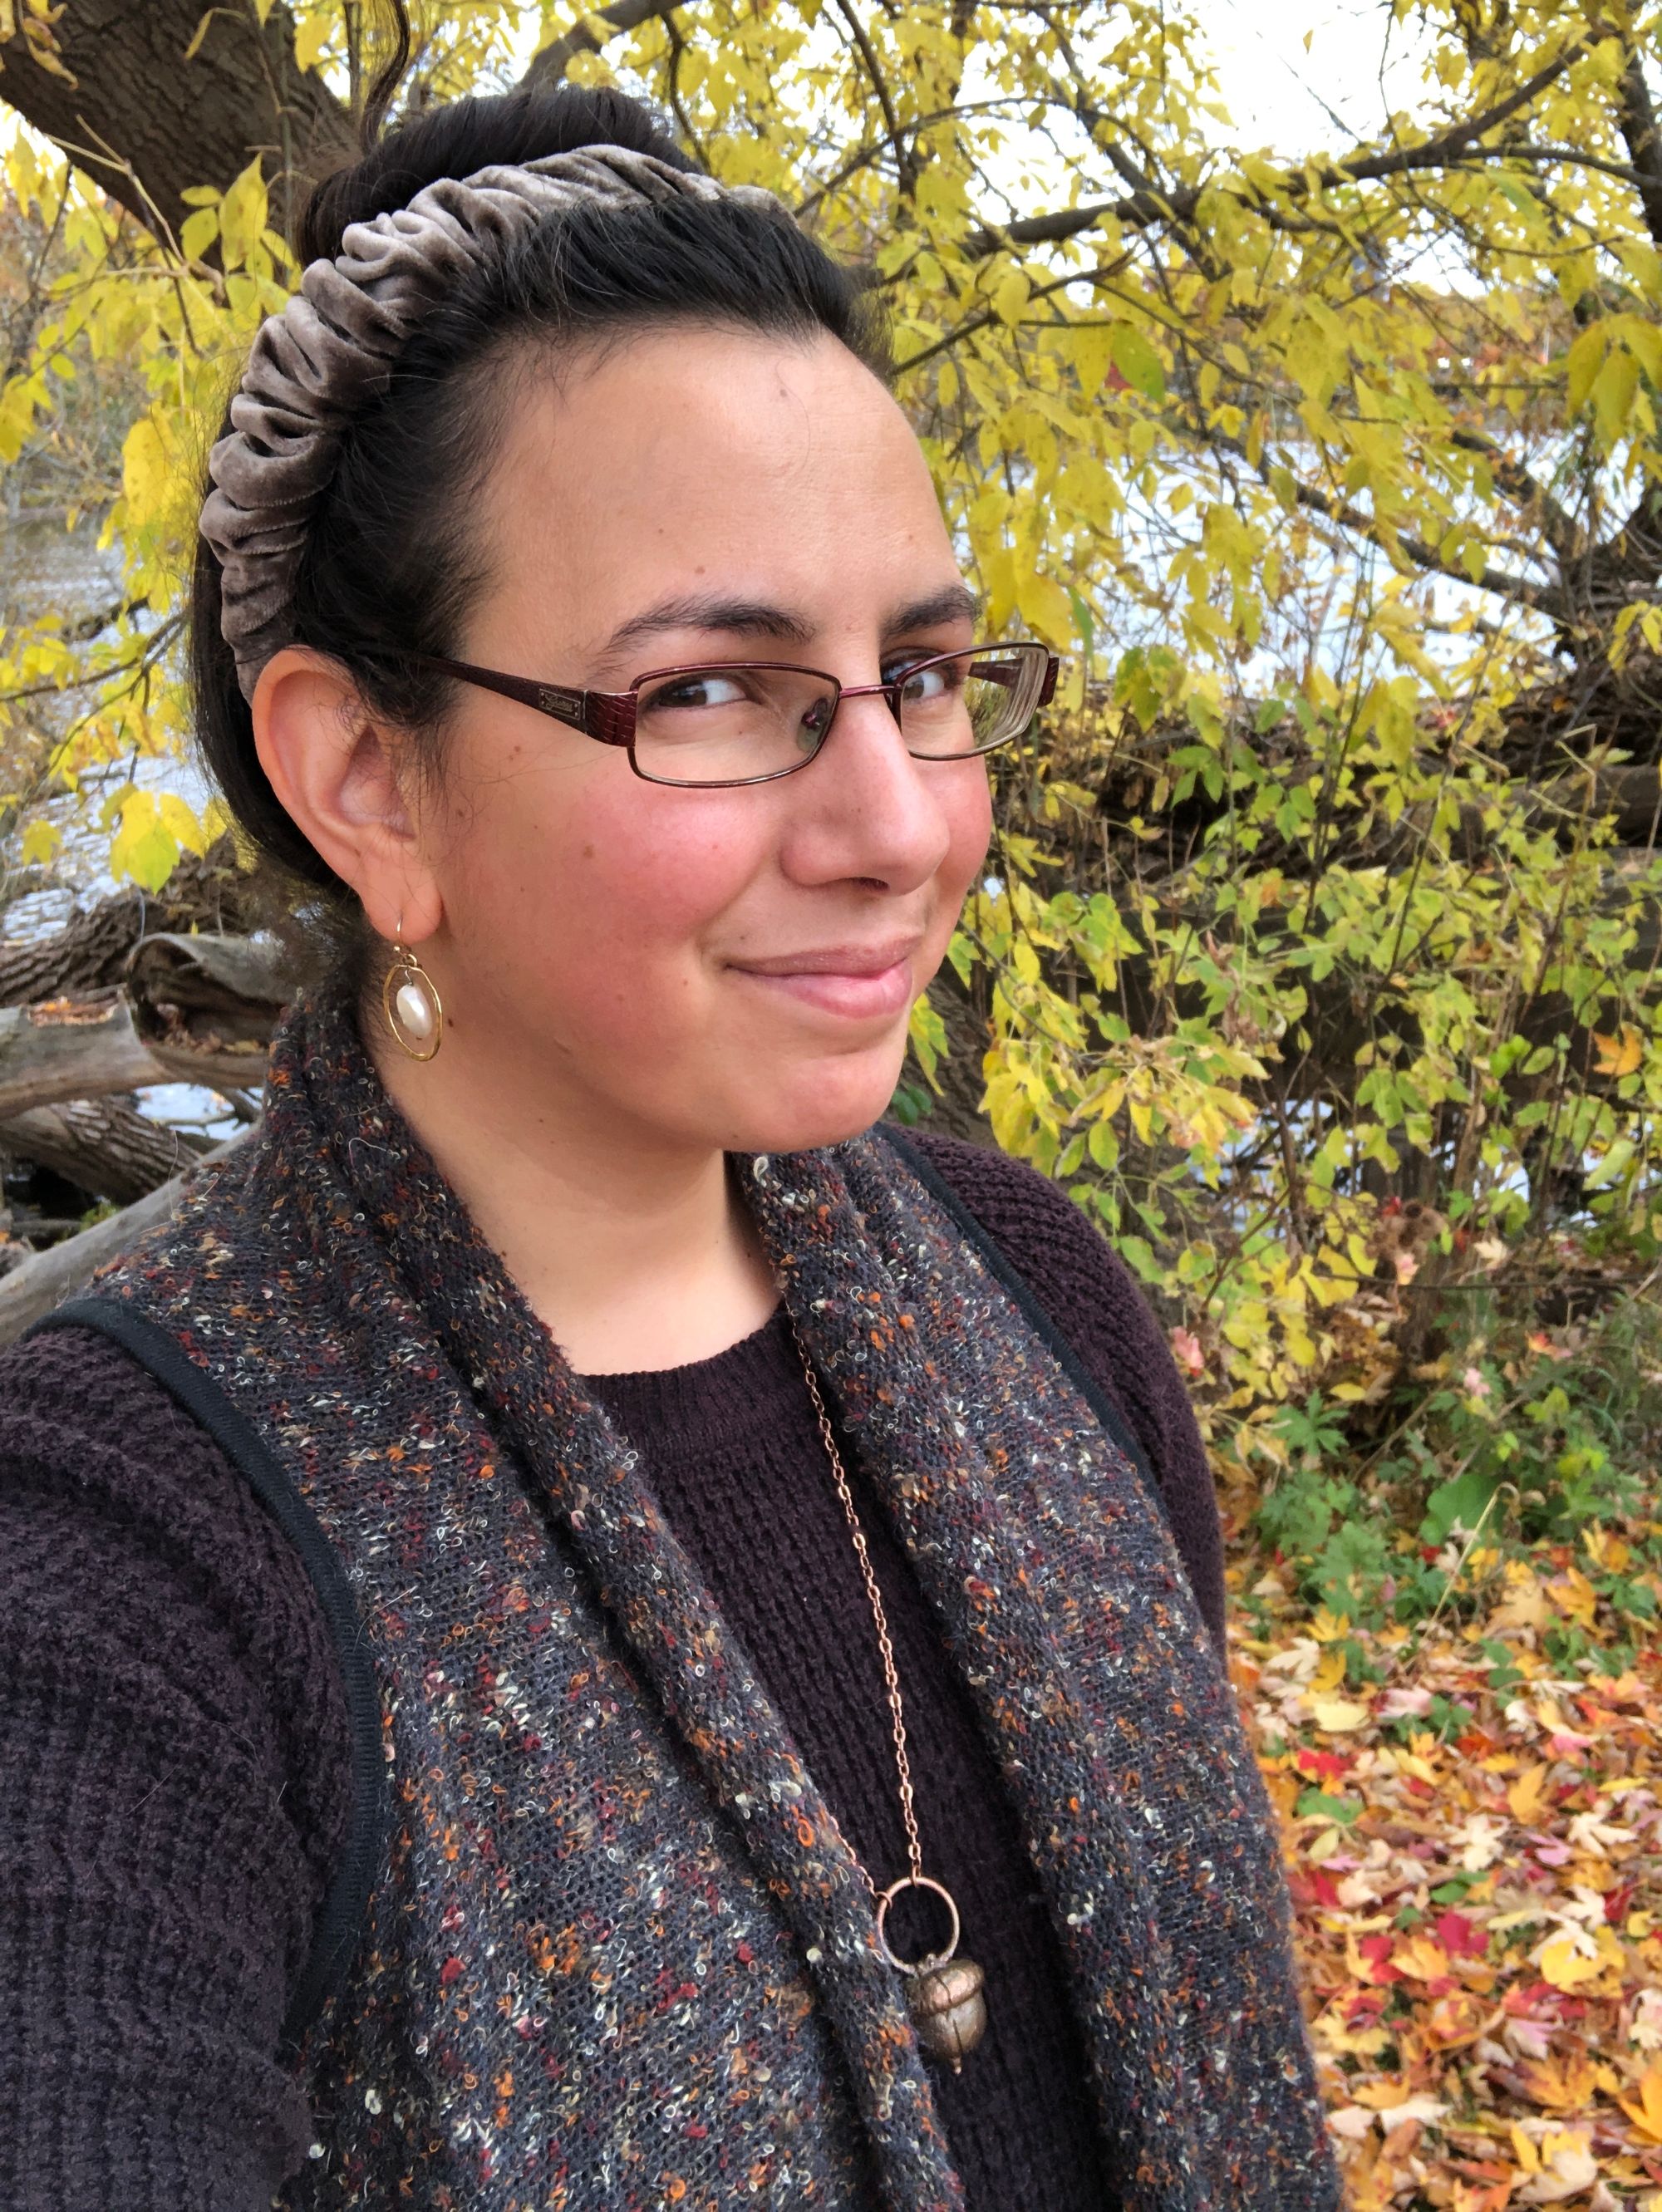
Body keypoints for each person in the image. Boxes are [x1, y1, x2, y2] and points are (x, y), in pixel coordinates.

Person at [0, 64, 1340, 2212]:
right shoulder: (117, 1564)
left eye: (921, 669)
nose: (902, 822)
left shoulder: (1034, 1293)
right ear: (366, 783)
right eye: (710, 692)